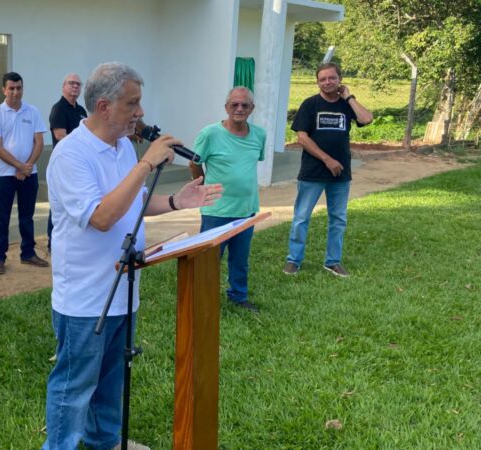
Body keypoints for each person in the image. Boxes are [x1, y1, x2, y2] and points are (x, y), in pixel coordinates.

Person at [43, 62, 222, 450]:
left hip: (123, 289)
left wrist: (176, 201)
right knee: (74, 386)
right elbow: (102, 217)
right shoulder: (71, 155)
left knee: (111, 379)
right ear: (104, 106)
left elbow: (133, 200)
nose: (140, 112)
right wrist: (146, 163)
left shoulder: (123, 146)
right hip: (85, 297)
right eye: (132, 103)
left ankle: (105, 441)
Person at [283, 62, 373, 277]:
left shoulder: (346, 105)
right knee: (301, 217)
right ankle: (293, 260)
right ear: (317, 82)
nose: (327, 82)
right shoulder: (310, 104)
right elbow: (302, 138)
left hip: (340, 173)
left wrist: (349, 97)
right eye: (322, 79)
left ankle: (332, 261)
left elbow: (366, 118)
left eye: (332, 78)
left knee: (338, 219)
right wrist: (327, 159)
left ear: (340, 79)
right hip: (312, 172)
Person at [190, 86, 266, 312]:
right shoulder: (210, 134)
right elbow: (194, 162)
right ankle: (202, 299)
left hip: (246, 209)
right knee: (209, 259)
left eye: (244, 105)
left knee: (240, 259)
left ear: (252, 108)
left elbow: (250, 164)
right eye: (234, 105)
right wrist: (202, 186)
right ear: (226, 107)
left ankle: (238, 296)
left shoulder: (259, 135)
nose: (239, 109)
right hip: (216, 210)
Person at [0, 72, 49, 275]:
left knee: (27, 216)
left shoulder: (33, 111)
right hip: (4, 175)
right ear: (4, 90)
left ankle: (28, 253)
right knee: (2, 217)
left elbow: (39, 142)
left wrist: (27, 166)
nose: (15, 92)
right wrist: (19, 166)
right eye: (11, 88)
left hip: (29, 173)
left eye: (19, 88)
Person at [46, 73, 87, 253]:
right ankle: (52, 241)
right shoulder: (58, 109)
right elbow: (60, 136)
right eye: (71, 83)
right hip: (64, 164)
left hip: (80, 163)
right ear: (63, 86)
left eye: (78, 84)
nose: (75, 87)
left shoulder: (81, 110)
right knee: (59, 204)